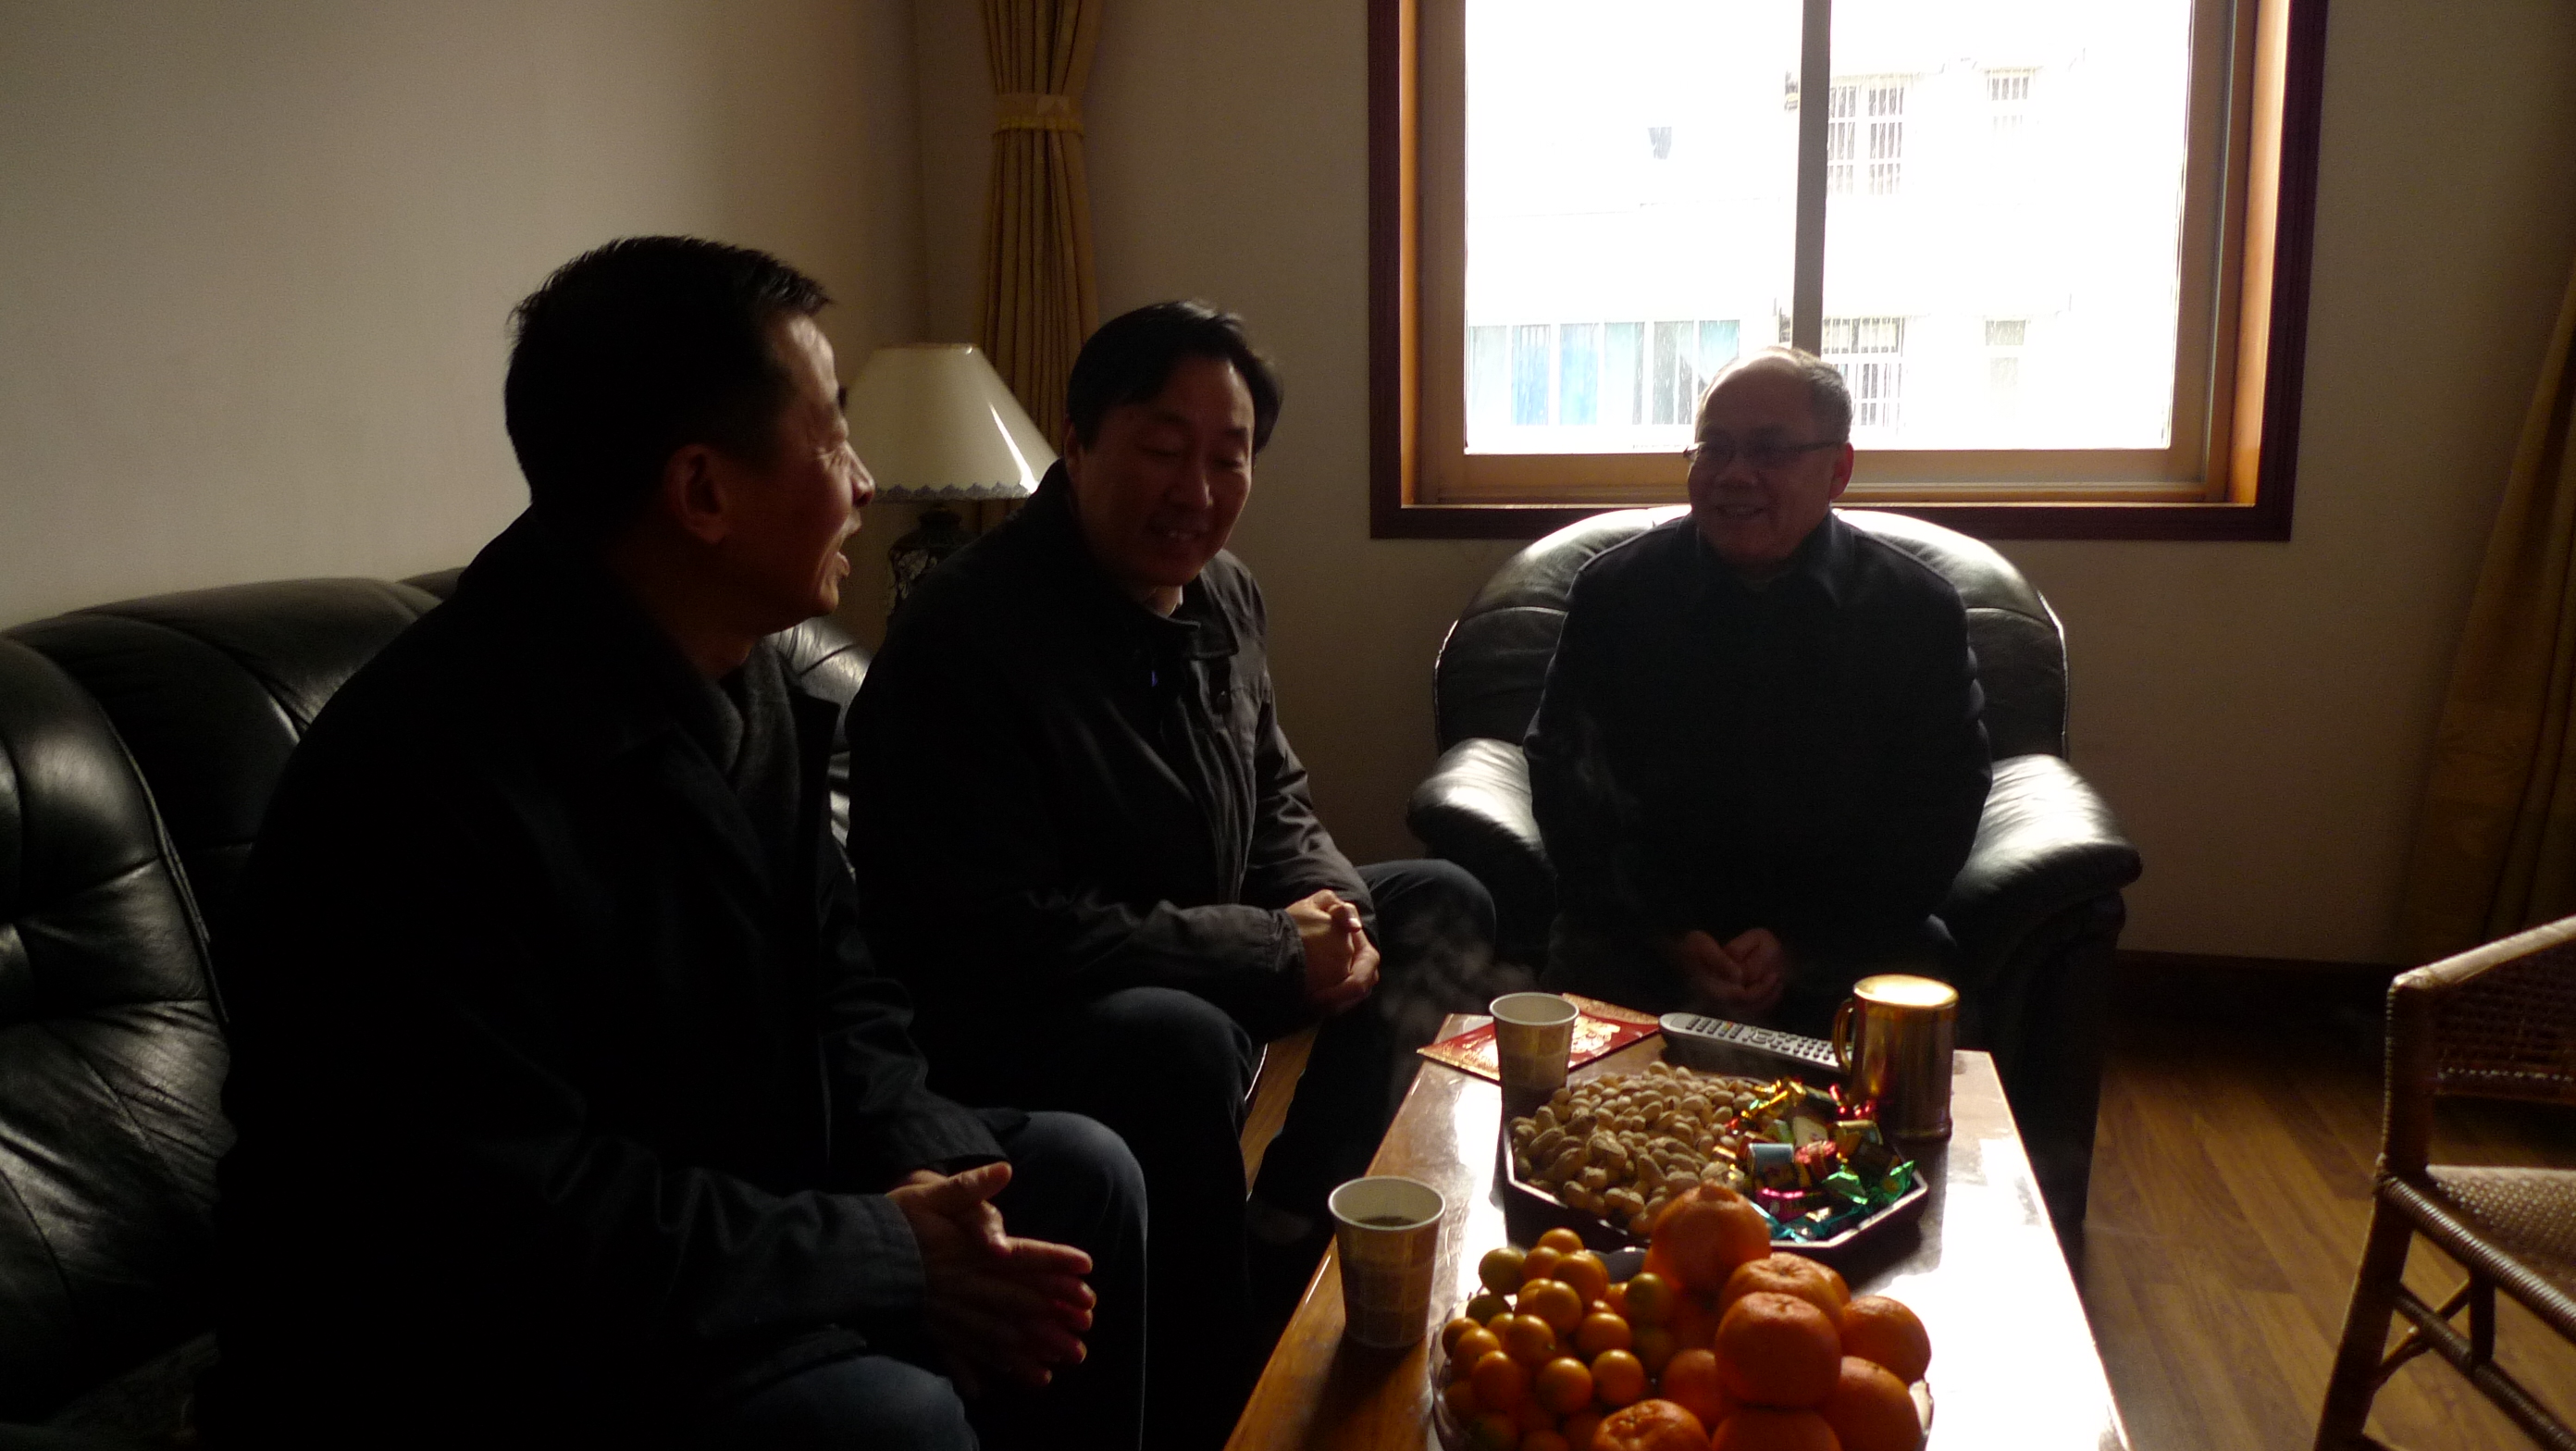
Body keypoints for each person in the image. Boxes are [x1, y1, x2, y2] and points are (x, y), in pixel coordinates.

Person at [205, 237, 1145, 1451]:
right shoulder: (422, 784)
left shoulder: (740, 678)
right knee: (886, 1422)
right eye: (833, 438)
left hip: (733, 1195)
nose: (865, 485)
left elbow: (845, 988)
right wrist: (880, 1249)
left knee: (1080, 1178)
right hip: (464, 1331)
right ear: (703, 493)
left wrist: (932, 1184)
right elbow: (513, 1219)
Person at [844, 301, 1499, 1449]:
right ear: (1077, 440)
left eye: (1228, 456)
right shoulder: (967, 630)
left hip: (1199, 933)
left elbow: (1274, 788)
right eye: (1160, 446)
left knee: (1442, 903)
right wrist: (1271, 947)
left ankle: (1287, 1227)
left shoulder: (1224, 590)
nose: (1195, 489)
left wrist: (1337, 913)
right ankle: (1208, 1382)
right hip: (1024, 999)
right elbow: (1002, 927)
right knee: (1180, 1038)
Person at [1524, 346, 1990, 1034]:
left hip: (1846, 940)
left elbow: (1939, 809)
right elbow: (1563, 780)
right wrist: (1669, 934)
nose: (1734, 474)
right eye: (1714, 448)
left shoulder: (1914, 611)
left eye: (1769, 451)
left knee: (1916, 1018)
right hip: (1642, 936)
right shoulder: (1617, 594)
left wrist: (1800, 945)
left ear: (1838, 470)